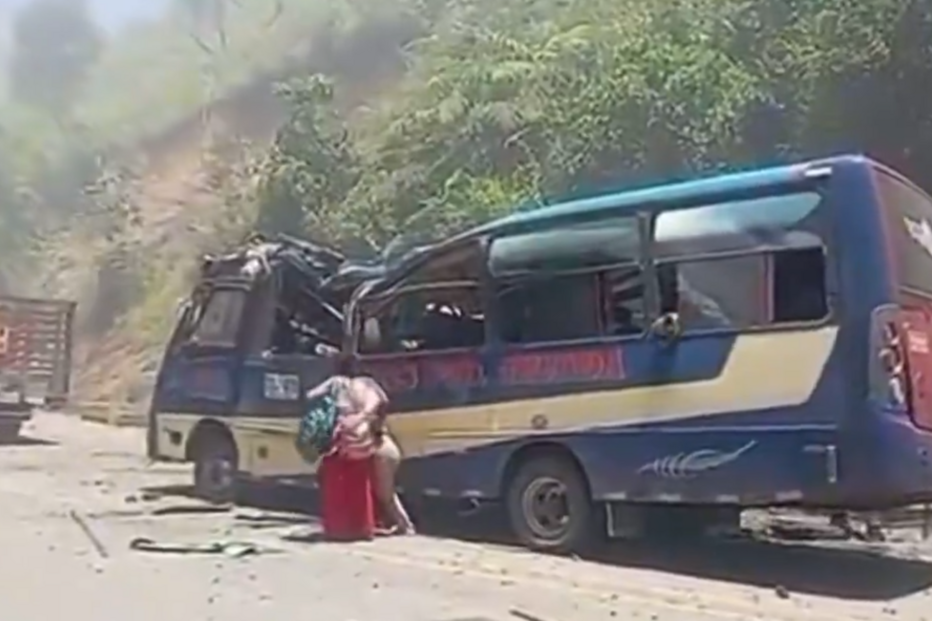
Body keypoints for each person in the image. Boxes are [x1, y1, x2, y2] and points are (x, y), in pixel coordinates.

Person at [305, 356, 415, 535]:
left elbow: (311, 395)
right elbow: (382, 401)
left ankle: (405, 526)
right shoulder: (369, 384)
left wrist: (358, 415)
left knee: (385, 494)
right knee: (381, 491)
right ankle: (388, 524)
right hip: (384, 445)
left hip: (380, 449)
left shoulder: (344, 385)